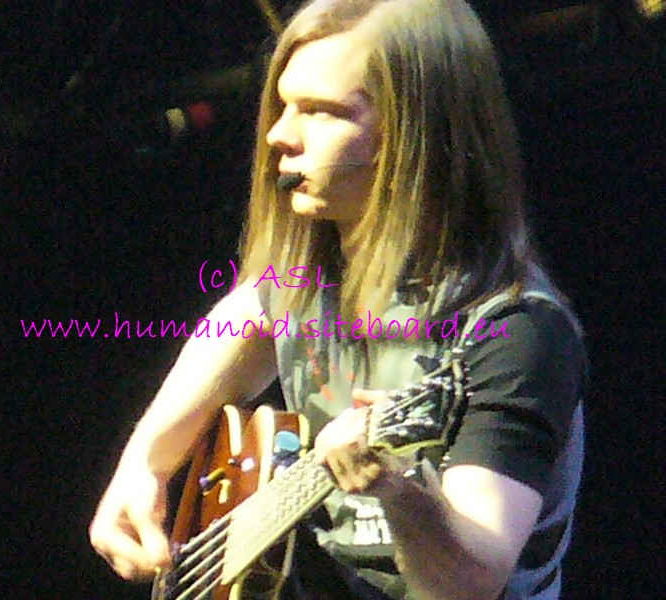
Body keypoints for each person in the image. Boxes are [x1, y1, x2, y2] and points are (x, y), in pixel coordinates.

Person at [89, 0, 586, 598]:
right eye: (283, 106)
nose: (278, 135)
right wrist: (143, 464)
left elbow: (468, 583)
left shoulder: (517, 332)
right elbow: (246, 311)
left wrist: (396, 491)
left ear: (413, 135)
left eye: (321, 112)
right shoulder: (307, 280)